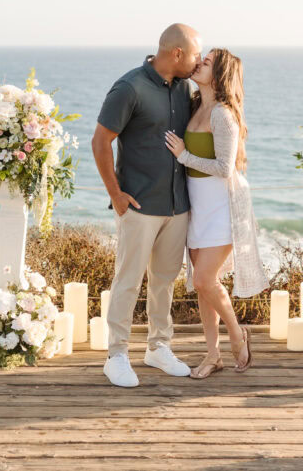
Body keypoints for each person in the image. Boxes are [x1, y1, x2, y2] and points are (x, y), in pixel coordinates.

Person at [92, 23, 203, 388]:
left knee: (164, 282)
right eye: (195, 55)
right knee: (128, 281)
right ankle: (117, 354)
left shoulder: (186, 88)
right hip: (138, 206)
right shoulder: (130, 87)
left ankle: (158, 348)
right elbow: (100, 141)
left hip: (177, 206)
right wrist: (116, 195)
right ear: (176, 54)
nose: (197, 61)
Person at [164, 48, 270, 379]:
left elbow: (225, 168)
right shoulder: (195, 106)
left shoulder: (223, 114)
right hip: (197, 207)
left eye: (206, 62)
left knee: (203, 279)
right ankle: (213, 356)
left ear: (219, 73)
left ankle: (237, 334)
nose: (198, 64)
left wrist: (183, 156)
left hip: (223, 207)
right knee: (204, 288)